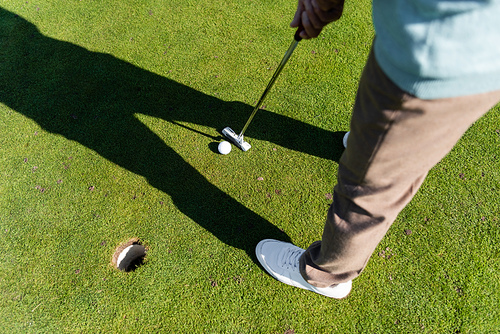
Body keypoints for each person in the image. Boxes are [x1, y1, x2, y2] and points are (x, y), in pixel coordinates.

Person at [255, 0, 500, 299]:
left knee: (367, 189)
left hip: (437, 57)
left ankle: (326, 275)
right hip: (423, 36)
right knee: (375, 131)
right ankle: (369, 143)